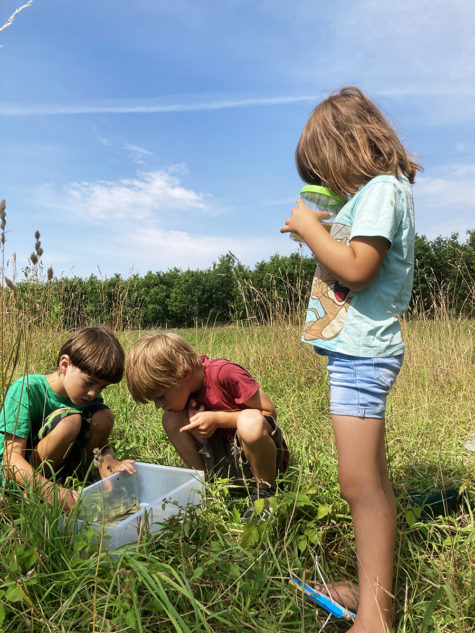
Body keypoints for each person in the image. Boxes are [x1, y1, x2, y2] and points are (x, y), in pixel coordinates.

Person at [280, 87, 422, 633]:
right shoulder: (374, 197)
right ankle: (371, 590)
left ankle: (377, 617)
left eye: (325, 167)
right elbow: (348, 257)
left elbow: (358, 267)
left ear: (350, 145)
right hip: (355, 356)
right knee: (371, 483)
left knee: (358, 485)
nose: (328, 181)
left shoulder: (385, 189)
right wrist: (322, 228)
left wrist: (313, 230)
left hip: (363, 358)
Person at [125, 332, 289, 521]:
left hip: (261, 461)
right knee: (170, 419)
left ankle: (266, 493)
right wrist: (200, 435)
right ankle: (204, 487)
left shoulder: (225, 373)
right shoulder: (186, 393)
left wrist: (218, 419)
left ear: (184, 373)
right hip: (226, 466)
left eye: (161, 396)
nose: (158, 405)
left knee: (249, 422)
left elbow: (269, 413)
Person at [0, 326, 136, 510]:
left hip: (65, 469)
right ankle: (29, 495)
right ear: (65, 364)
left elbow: (102, 447)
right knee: (71, 421)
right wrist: (50, 491)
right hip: (25, 475)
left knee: (103, 416)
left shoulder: (90, 397)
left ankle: (81, 479)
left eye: (102, 387)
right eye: (88, 382)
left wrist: (108, 463)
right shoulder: (26, 389)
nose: (93, 392)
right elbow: (11, 460)